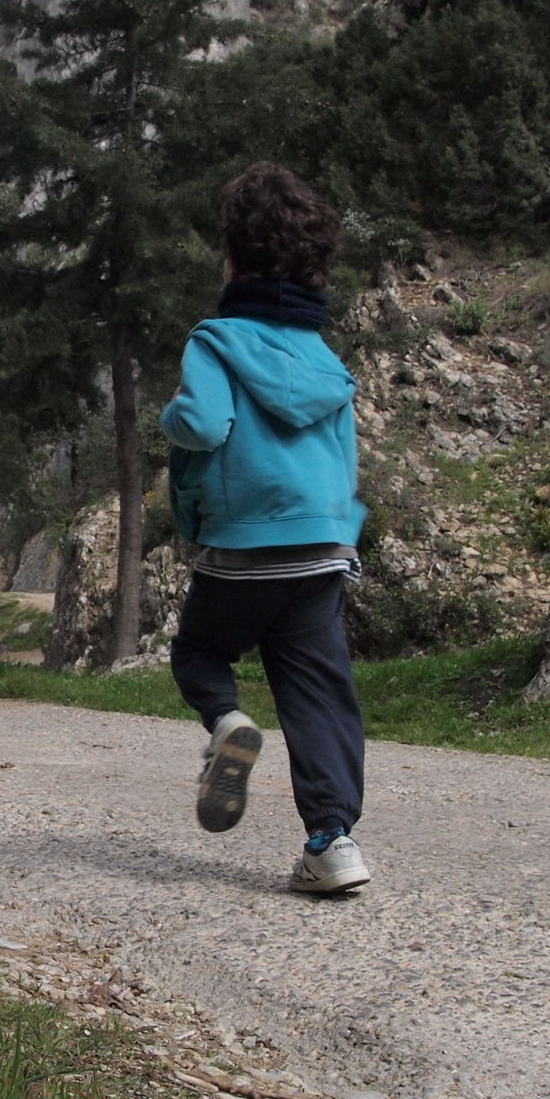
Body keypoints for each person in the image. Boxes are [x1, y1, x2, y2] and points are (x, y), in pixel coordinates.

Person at [160, 162, 372, 895]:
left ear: (231, 261)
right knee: (319, 695)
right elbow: (347, 462)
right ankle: (332, 840)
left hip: (244, 550)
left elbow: (202, 422)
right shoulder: (326, 359)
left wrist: (168, 418)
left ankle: (225, 725)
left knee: (198, 655)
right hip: (322, 550)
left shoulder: (215, 340)